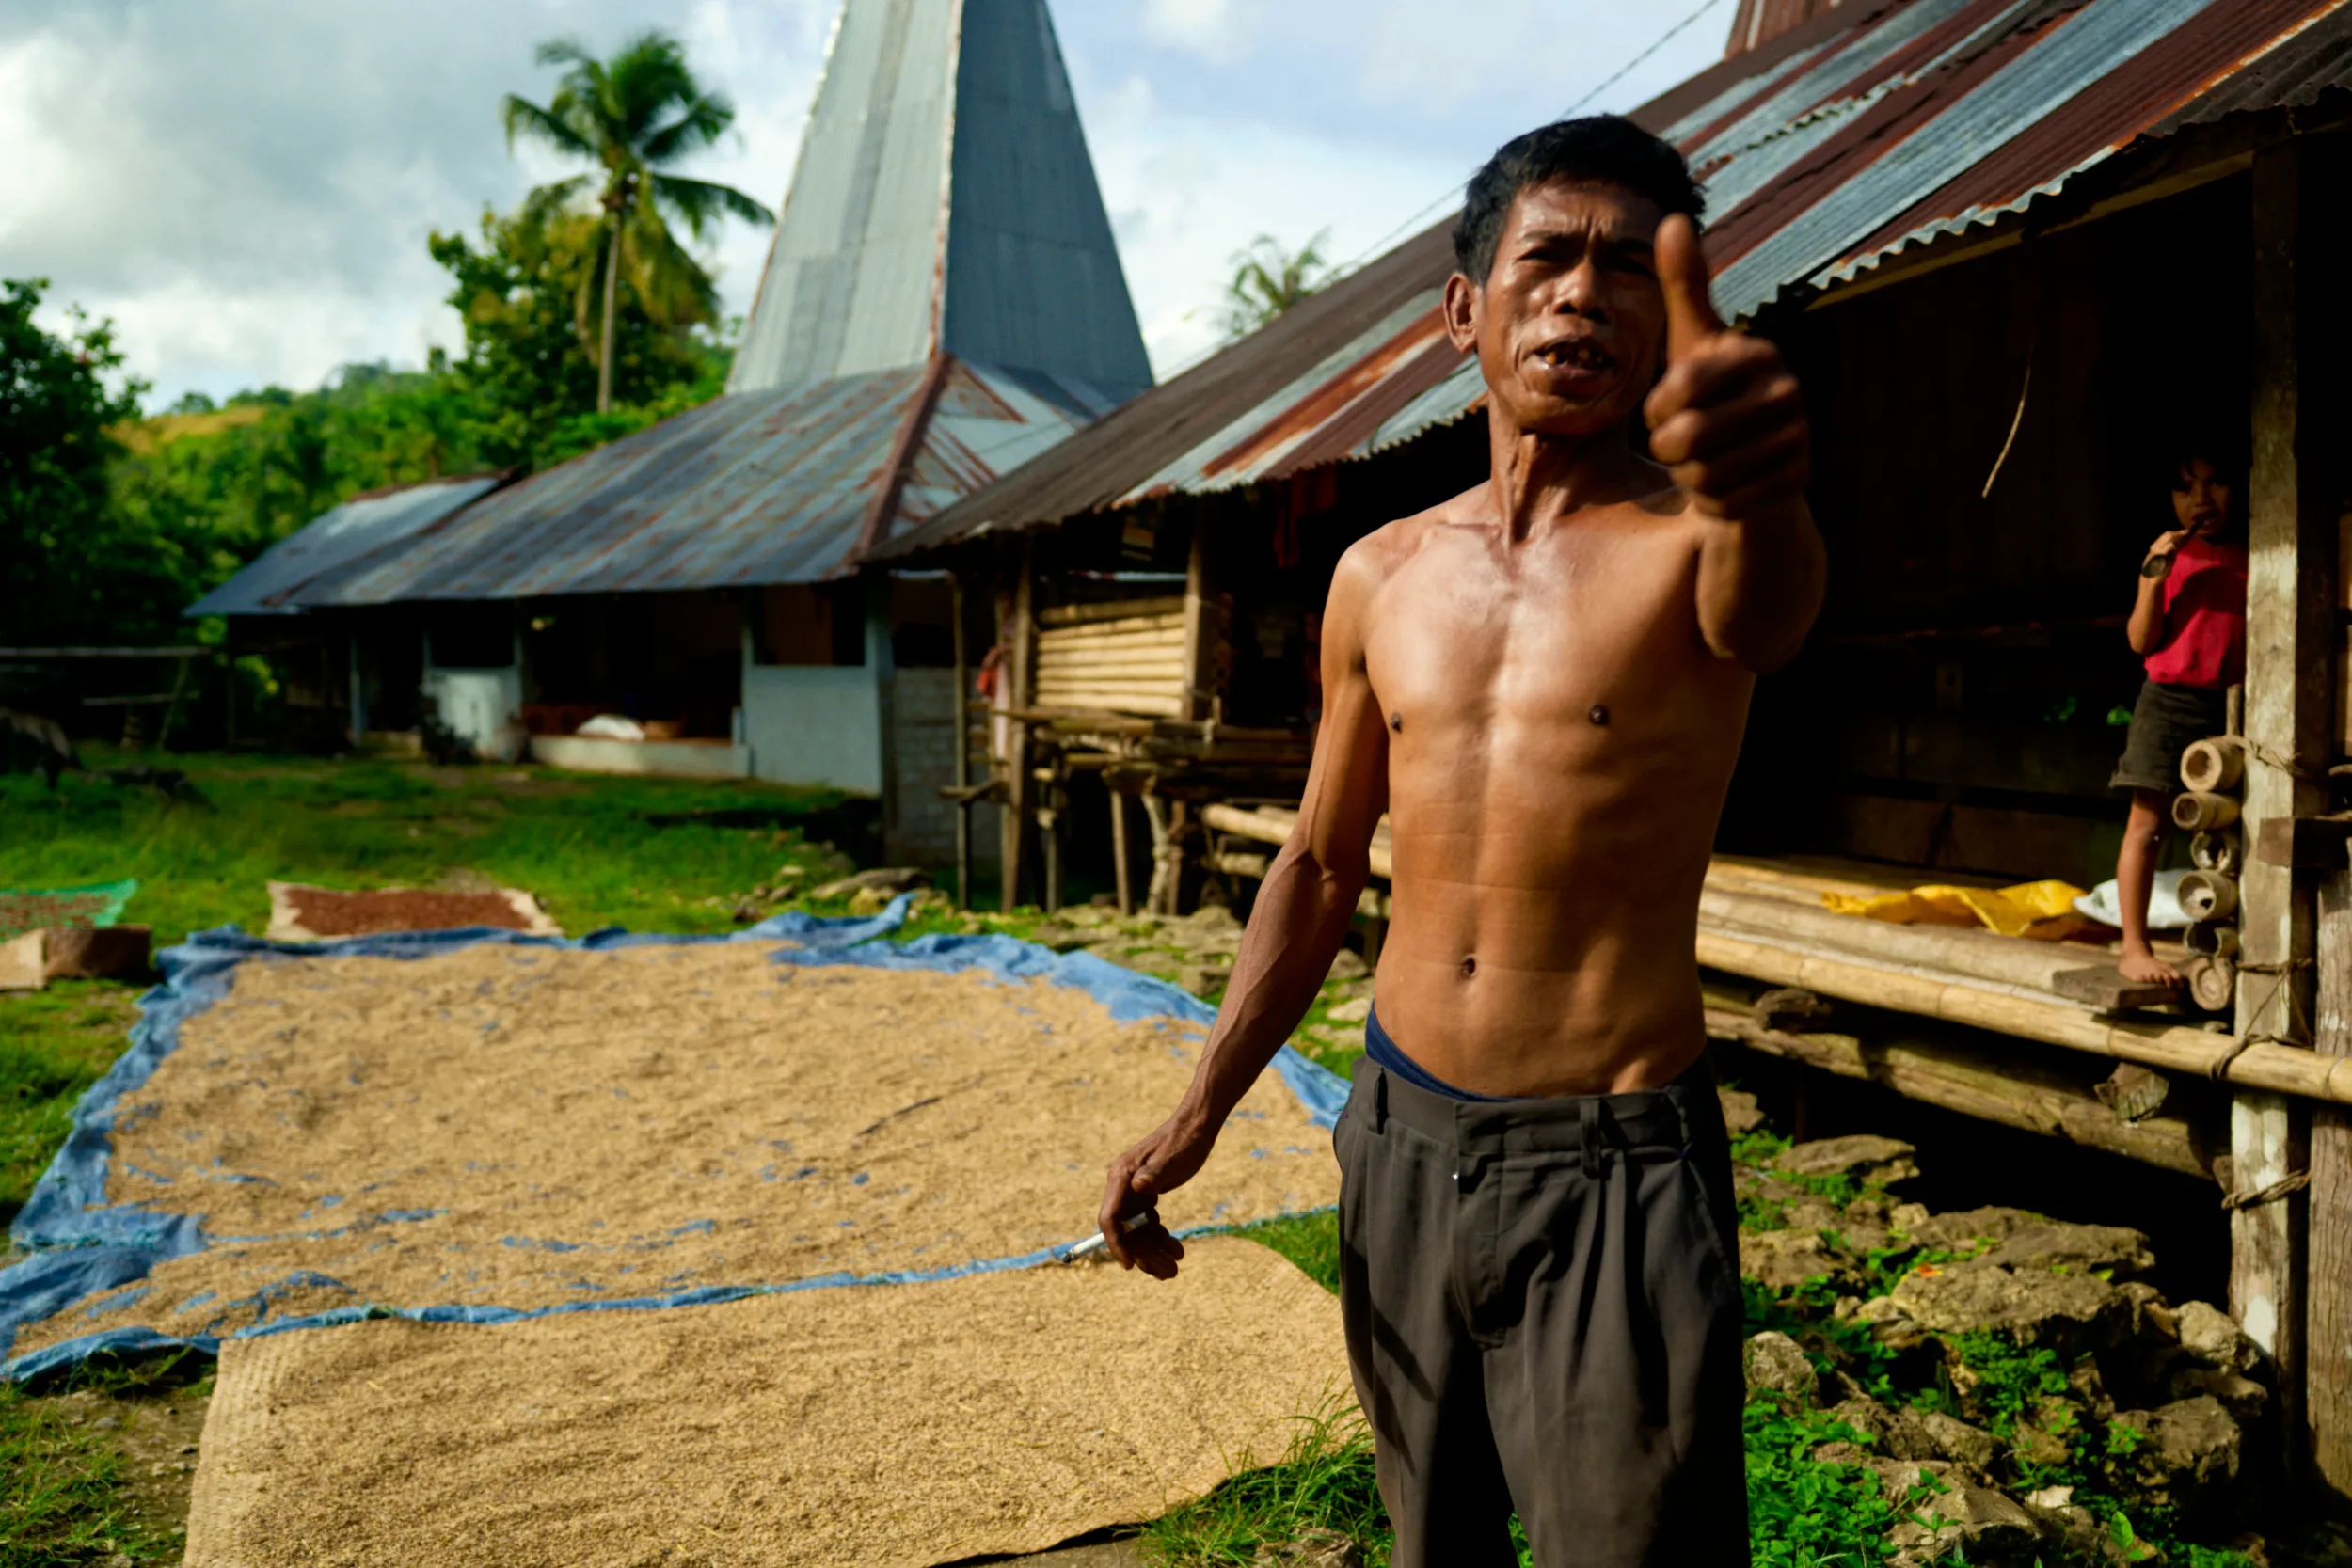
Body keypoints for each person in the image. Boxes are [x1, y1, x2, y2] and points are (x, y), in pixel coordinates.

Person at [1096, 117, 1823, 1567]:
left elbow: (1772, 609)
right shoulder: (1382, 574)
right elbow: (1315, 862)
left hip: (1614, 1157)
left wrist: (1762, 482)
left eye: (1630, 269)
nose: (1584, 295)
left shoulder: (1698, 541)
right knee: (1433, 1540)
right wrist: (1198, 1111)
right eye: (1547, 256)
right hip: (1403, 1137)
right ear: (1463, 308)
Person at [2108, 446, 2248, 985]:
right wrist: (2151, 579)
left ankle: (2218, 943)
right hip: (2168, 703)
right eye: (2186, 488)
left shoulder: (2259, 553)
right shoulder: (2170, 559)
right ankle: (2133, 947)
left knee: (2234, 832)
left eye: (2214, 484)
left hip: (2235, 710)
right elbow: (2140, 641)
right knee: (2146, 826)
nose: (2200, 500)